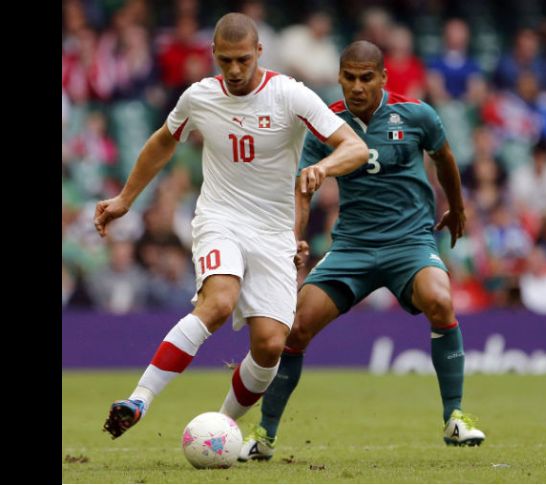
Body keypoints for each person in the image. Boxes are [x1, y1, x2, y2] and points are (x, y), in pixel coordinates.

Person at [96, 13, 368, 439]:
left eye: (243, 59)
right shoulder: (199, 97)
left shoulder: (290, 95)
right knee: (219, 302)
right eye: (226, 61)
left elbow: (354, 147)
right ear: (213, 55)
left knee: (270, 345)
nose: (236, 70)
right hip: (220, 218)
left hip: (274, 231)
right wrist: (125, 199)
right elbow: (163, 140)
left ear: (260, 51)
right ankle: (139, 399)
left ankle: (221, 426)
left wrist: (324, 167)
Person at [238, 40, 486, 462]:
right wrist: (296, 236)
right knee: (295, 329)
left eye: (366, 78)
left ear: (383, 78)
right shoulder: (327, 124)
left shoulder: (417, 115)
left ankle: (455, 418)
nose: (357, 86)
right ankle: (264, 437)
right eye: (349, 77)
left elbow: (444, 157)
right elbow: (303, 188)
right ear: (339, 77)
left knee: (441, 300)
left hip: (409, 243)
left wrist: (457, 208)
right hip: (352, 247)